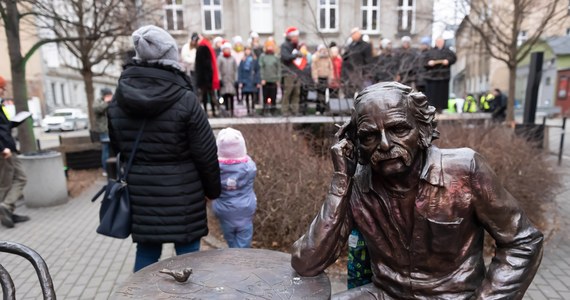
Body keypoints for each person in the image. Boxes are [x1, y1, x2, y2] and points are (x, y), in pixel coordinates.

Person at [291, 82, 543, 299]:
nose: (386, 144)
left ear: (422, 130)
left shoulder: (465, 170)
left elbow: (523, 242)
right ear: (356, 143)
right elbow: (307, 262)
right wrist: (340, 181)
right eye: (369, 136)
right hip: (385, 294)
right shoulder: (356, 185)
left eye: (399, 129)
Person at [107, 25, 221, 272]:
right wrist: (213, 190)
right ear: (170, 55)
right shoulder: (185, 98)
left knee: (146, 254)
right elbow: (206, 152)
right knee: (190, 261)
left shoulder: (118, 99)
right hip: (184, 194)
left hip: (141, 193)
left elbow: (117, 147)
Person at [212, 128, 257, 248]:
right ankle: (240, 257)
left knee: (229, 237)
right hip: (245, 208)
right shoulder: (249, 168)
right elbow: (251, 165)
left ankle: (232, 251)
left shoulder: (215, 168)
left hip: (223, 210)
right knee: (244, 237)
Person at [0, 75, 30, 229]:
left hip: (8, 148)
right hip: (5, 150)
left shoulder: (0, 104)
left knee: (12, 180)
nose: (4, 90)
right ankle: (5, 207)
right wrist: (2, 148)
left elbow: (2, 127)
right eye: (2, 87)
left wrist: (14, 122)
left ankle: (8, 211)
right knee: (10, 181)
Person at [424, 37, 457, 112]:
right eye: (438, 42)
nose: (439, 43)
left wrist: (448, 61)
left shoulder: (448, 51)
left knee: (442, 94)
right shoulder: (430, 52)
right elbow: (423, 61)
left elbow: (453, 58)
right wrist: (429, 63)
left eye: (441, 42)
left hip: (443, 76)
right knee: (432, 95)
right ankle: (431, 109)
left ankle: (441, 109)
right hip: (432, 76)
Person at [341, 28, 373, 99]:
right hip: (350, 75)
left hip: (361, 75)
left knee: (364, 96)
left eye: (353, 34)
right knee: (349, 95)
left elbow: (368, 61)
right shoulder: (350, 46)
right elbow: (345, 60)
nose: (351, 36)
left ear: (358, 34)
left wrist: (367, 74)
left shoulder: (365, 46)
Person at [195, 35, 221, 117]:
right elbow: (207, 65)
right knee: (208, 95)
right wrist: (210, 76)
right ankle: (212, 111)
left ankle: (206, 111)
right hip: (207, 77)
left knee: (205, 95)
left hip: (202, 77)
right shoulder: (206, 48)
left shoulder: (201, 47)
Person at [280, 26, 302, 116]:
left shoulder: (296, 46)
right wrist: (295, 56)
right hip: (288, 73)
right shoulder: (284, 45)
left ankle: (294, 110)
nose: (297, 38)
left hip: (296, 72)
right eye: (295, 36)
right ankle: (285, 111)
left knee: (296, 92)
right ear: (290, 36)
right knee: (288, 92)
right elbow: (285, 57)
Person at [92, 88, 113, 175]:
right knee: (106, 150)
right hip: (104, 130)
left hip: (113, 129)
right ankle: (106, 170)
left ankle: (116, 168)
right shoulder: (99, 102)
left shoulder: (114, 100)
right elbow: (97, 109)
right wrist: (106, 102)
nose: (110, 97)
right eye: (108, 95)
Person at [259, 39, 281, 116]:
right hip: (265, 80)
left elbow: (278, 69)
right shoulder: (263, 57)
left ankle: (273, 110)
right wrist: (262, 78)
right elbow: (261, 68)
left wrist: (278, 79)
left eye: (271, 46)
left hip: (274, 80)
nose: (270, 48)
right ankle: (265, 110)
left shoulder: (276, 57)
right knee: (265, 96)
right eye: (268, 46)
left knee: (273, 96)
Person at [238, 47, 261, 116]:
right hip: (245, 81)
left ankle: (253, 109)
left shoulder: (254, 60)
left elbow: (258, 71)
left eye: (249, 50)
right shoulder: (243, 60)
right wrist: (241, 81)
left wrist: (257, 81)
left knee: (253, 95)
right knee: (247, 96)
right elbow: (240, 71)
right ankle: (248, 110)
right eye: (246, 50)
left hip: (252, 80)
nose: (248, 51)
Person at [311, 44, 334, 115]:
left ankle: (324, 109)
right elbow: (314, 69)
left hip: (326, 77)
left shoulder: (328, 58)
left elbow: (331, 69)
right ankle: (318, 109)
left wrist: (331, 77)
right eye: (322, 49)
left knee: (325, 94)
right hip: (319, 77)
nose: (323, 51)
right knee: (319, 93)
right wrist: (315, 77)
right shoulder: (316, 58)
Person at [217, 42, 238, 117]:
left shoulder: (232, 58)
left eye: (228, 49)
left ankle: (232, 110)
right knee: (224, 96)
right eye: (226, 49)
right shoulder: (220, 58)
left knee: (231, 96)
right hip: (224, 80)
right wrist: (219, 79)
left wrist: (236, 79)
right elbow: (218, 69)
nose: (227, 50)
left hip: (231, 80)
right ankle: (225, 110)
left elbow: (235, 70)